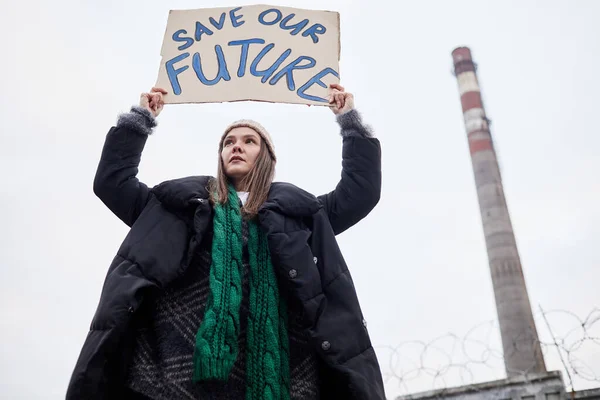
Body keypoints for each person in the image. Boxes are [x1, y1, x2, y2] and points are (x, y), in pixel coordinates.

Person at [67, 83, 385, 400]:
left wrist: (349, 121)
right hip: (177, 365)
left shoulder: (300, 212)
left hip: (284, 366)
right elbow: (113, 183)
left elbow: (359, 194)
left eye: (249, 141)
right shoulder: (177, 205)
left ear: (266, 156)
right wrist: (141, 119)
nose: (236, 147)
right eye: (229, 142)